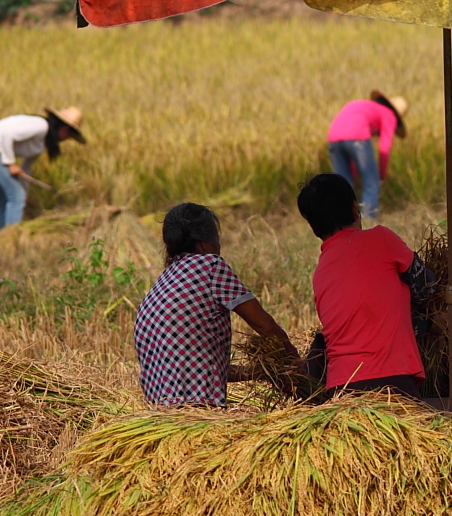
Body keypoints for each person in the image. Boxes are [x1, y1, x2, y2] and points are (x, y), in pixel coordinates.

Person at [133, 203, 297, 407]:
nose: (219, 248)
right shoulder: (209, 265)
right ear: (203, 243)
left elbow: (202, 370)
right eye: (217, 241)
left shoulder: (161, 285)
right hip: (197, 410)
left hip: (160, 415)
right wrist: (295, 364)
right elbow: (265, 326)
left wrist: (263, 372)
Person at [296, 173, 436, 398]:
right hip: (391, 383)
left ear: (314, 227)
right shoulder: (382, 239)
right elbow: (427, 287)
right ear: (354, 209)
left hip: (341, 390)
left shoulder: (321, 271)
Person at [0, 108, 85, 231]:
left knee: (8, 196)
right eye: (70, 135)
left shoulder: (43, 142)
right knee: (16, 196)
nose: (67, 139)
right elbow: (8, 134)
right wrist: (11, 163)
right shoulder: (41, 126)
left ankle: (1, 235)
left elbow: (26, 168)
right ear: (64, 129)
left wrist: (24, 194)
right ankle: (10, 237)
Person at [326, 91, 409, 222]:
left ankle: (340, 223)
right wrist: (381, 175)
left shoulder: (365, 107)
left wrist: (353, 175)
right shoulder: (389, 115)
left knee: (343, 185)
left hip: (333, 137)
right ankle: (367, 223)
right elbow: (384, 147)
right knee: (371, 183)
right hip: (357, 136)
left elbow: (348, 144)